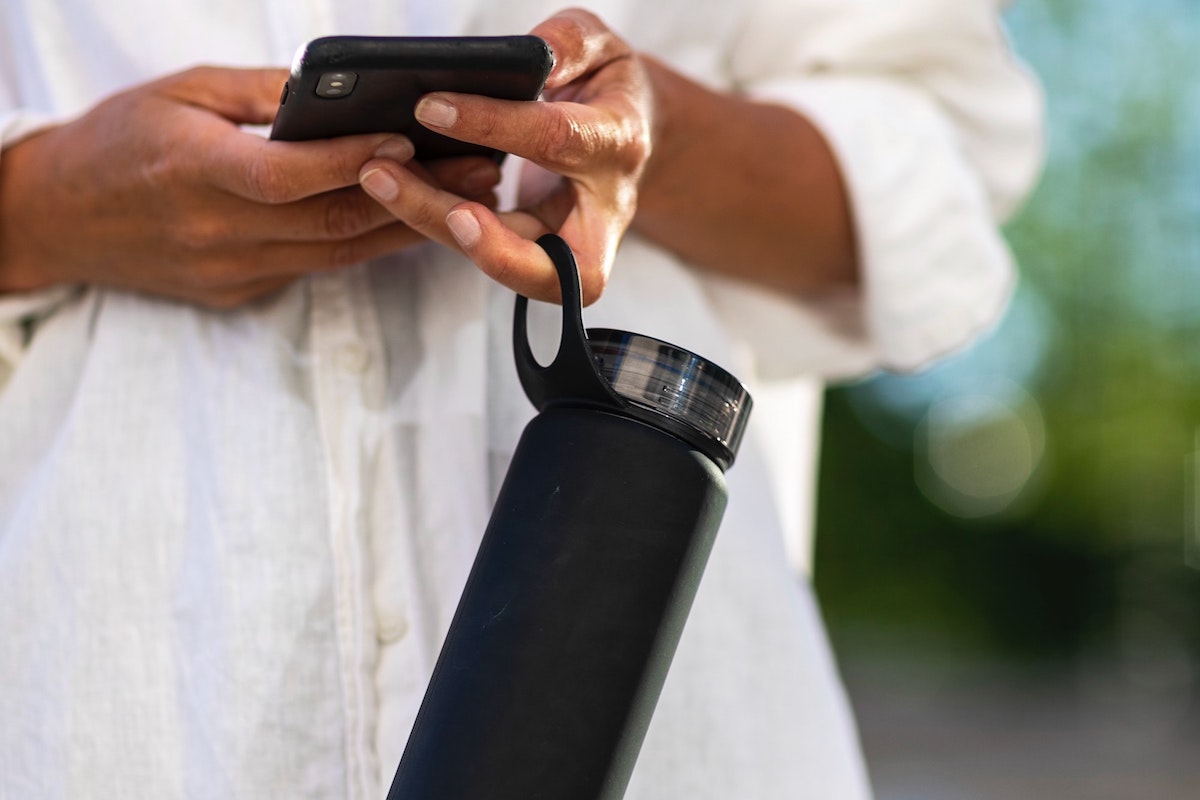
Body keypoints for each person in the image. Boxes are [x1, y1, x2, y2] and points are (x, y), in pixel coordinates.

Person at [0, 1, 1042, 798]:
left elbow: (935, 177)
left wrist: (656, 142)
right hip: (103, 693)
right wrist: (45, 201)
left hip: (674, 707)